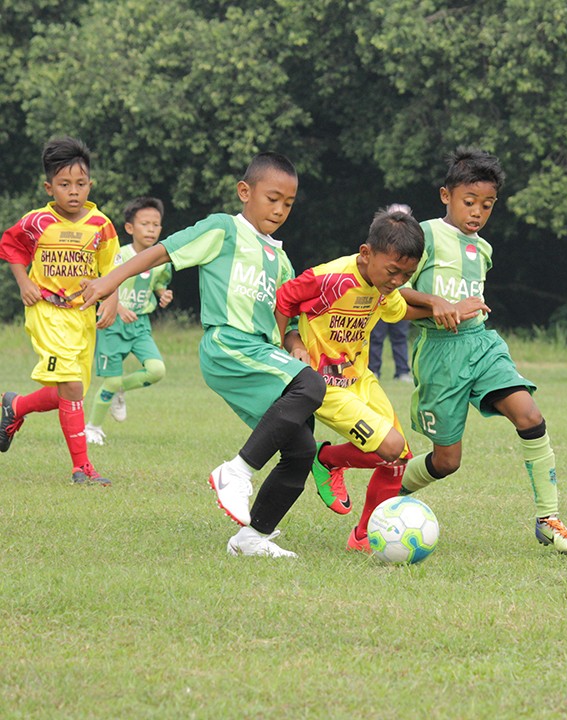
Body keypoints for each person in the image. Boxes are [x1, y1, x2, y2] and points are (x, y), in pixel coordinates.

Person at [79, 152, 325, 558]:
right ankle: (236, 472)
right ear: (245, 192)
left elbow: (287, 318)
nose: (280, 210)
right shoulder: (223, 229)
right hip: (228, 344)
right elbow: (161, 252)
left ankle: (250, 538)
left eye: (288, 203)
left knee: (302, 448)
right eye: (272, 198)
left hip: (259, 353)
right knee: (310, 386)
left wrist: (295, 345)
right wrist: (110, 281)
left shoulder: (280, 258)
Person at [397, 147, 567, 554]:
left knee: (530, 416)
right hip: (439, 354)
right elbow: (393, 295)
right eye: (469, 202)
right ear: (446, 196)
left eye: (487, 205)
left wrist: (461, 312)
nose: (477, 212)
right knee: (446, 462)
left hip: (482, 345)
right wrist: (435, 304)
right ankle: (390, 494)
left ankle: (548, 519)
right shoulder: (424, 234)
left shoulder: (483, 249)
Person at [275, 206, 466, 552]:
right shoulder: (330, 278)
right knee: (389, 448)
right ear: (366, 254)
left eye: (405, 277)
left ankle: (363, 537)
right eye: (393, 271)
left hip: (360, 378)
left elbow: (401, 309)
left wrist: (447, 306)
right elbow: (284, 298)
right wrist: (288, 343)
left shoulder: (382, 287)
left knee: (399, 458)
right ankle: (328, 459)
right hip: (323, 383)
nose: (396, 282)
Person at [0, 136, 120, 485]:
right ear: (49, 187)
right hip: (47, 313)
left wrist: (110, 298)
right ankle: (82, 468)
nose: (73, 192)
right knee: (69, 384)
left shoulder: (101, 225)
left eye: (80, 184)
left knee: (73, 392)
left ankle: (14, 406)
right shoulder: (37, 221)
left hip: (81, 317)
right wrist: (23, 282)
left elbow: (112, 269)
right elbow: (10, 245)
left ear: (90, 185)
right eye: (64, 184)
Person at [84, 197, 174, 445]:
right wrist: (118, 306)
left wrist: (162, 294)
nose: (151, 229)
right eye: (145, 224)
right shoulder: (118, 256)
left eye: (156, 225)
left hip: (140, 326)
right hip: (112, 324)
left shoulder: (160, 261)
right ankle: (92, 428)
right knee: (109, 380)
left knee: (157, 370)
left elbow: (159, 284)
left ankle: (119, 389)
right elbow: (102, 286)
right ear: (130, 228)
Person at [368, 317, 412, 382]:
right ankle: (373, 371)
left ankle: (403, 372)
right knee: (375, 338)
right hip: (380, 309)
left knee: (400, 337)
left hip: (398, 308)